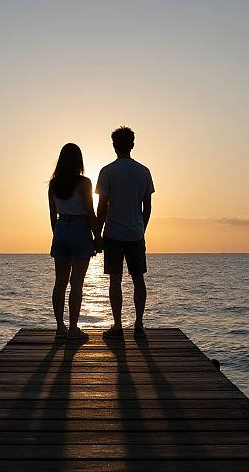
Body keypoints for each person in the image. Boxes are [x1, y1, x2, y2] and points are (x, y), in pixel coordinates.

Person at [96, 126, 155, 339]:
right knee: (138, 279)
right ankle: (139, 324)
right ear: (132, 144)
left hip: (112, 233)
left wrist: (97, 233)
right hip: (136, 234)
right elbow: (147, 207)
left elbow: (101, 208)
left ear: (114, 145)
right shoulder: (143, 171)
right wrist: (141, 227)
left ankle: (118, 326)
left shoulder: (107, 171)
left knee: (115, 280)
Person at [48, 143, 102, 340]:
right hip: (80, 228)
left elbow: (52, 215)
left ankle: (59, 327)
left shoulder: (53, 185)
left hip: (61, 229)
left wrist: (58, 234)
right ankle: (72, 329)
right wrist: (97, 237)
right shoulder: (84, 183)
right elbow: (90, 211)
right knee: (76, 284)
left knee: (60, 283)